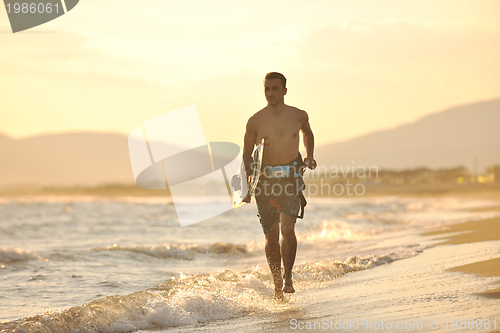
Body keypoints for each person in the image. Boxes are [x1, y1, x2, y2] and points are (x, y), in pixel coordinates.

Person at [242, 72, 316, 300]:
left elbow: (307, 134)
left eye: (275, 89)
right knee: (271, 236)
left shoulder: (299, 115)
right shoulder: (255, 121)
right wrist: (245, 187)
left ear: (284, 90)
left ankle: (288, 277)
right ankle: (276, 285)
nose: (271, 93)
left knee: (287, 229)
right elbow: (246, 155)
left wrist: (310, 156)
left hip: (291, 177)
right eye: (267, 89)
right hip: (265, 181)